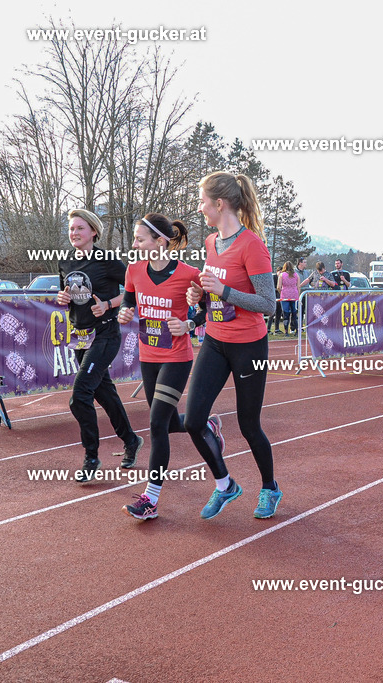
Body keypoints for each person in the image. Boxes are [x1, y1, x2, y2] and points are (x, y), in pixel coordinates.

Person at [184, 171, 282, 520]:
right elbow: (213, 292)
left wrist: (224, 291)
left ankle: (270, 487)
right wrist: (200, 294)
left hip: (248, 345)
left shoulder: (252, 245)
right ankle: (226, 485)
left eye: (202, 202)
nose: (199, 208)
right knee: (193, 420)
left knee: (248, 424)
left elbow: (268, 304)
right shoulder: (212, 243)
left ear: (219, 204)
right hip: (214, 340)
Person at [118, 213, 216, 521]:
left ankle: (150, 499)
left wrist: (187, 323)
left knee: (157, 424)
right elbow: (128, 302)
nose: (133, 244)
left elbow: (210, 308)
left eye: (139, 239)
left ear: (160, 242)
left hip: (177, 357)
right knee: (172, 422)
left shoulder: (189, 273)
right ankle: (205, 424)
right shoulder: (133, 271)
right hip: (149, 356)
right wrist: (123, 312)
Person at [56, 208, 143, 483]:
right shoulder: (66, 261)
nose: (74, 233)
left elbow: (136, 289)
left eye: (80, 228)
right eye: (71, 229)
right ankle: (131, 440)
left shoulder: (106, 259)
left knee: (79, 395)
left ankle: (91, 456)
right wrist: (63, 298)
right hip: (80, 337)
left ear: (93, 231)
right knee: (104, 394)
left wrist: (108, 304)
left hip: (105, 335)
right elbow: (70, 295)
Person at [277, 261, 299, 336]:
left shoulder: (281, 275)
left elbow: (278, 287)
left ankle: (286, 332)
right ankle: (297, 331)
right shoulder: (296, 275)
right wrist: (298, 295)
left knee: (286, 314)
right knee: (294, 314)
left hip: (285, 296)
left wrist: (281, 293)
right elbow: (298, 286)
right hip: (294, 295)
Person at [267, 269, 283, 335]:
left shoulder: (282, 278)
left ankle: (277, 329)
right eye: (280, 272)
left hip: (280, 298)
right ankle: (268, 329)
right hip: (273, 298)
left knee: (278, 314)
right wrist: (278, 289)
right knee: (272, 314)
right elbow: (271, 287)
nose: (281, 273)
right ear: (277, 271)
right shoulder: (273, 277)